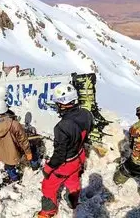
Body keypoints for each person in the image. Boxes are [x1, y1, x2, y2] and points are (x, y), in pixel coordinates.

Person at [37, 83, 94, 218]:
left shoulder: (61, 127)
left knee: (48, 185)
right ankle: (73, 201)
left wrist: (48, 168)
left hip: (66, 162)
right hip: (79, 155)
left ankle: (48, 212)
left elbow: (60, 155)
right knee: (73, 179)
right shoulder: (87, 114)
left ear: (62, 104)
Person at [0, 100, 39, 182]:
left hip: (3, 154)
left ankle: (14, 178)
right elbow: (23, 140)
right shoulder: (14, 124)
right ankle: (35, 166)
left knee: (9, 166)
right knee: (33, 149)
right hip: (17, 152)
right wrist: (28, 152)